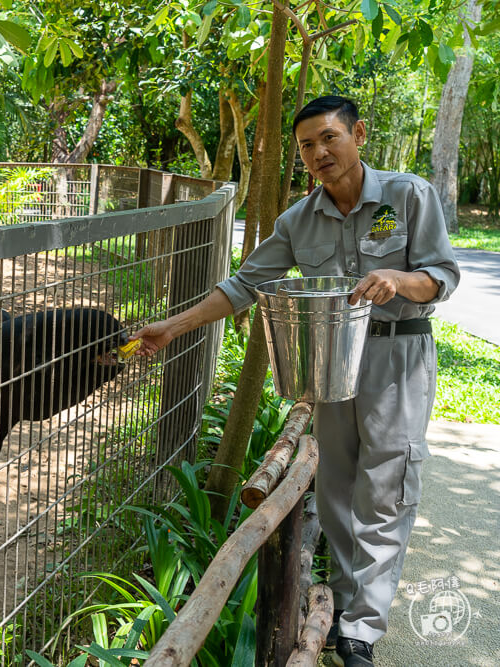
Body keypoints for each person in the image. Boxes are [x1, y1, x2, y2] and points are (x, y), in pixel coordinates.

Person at [131, 96, 460, 667]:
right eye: (307, 145)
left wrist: (398, 280)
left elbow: (442, 277)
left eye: (329, 138)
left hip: (395, 357)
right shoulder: (296, 220)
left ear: (357, 134)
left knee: (385, 489)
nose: (318, 153)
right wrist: (171, 327)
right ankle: (351, 605)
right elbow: (241, 287)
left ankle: (358, 629)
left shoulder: (408, 196)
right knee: (335, 493)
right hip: (331, 364)